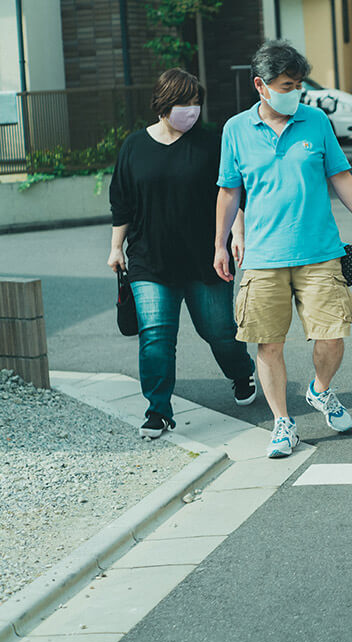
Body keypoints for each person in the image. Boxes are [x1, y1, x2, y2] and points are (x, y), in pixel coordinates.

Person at [213, 40, 352, 459]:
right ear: (261, 85)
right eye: (287, 84)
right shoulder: (236, 129)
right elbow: (228, 191)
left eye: (298, 84)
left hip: (319, 252)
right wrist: (220, 242)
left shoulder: (316, 122)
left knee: (333, 334)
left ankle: (320, 390)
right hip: (262, 258)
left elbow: (341, 176)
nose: (295, 91)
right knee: (268, 345)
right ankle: (282, 423)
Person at [108, 68, 256, 439]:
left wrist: (236, 235)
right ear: (162, 104)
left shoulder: (211, 143)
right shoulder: (134, 147)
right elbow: (121, 203)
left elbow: (233, 193)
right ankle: (158, 410)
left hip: (206, 257)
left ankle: (241, 373)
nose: (191, 110)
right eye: (183, 103)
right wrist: (115, 248)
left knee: (220, 331)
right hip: (149, 260)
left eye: (196, 103)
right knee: (156, 336)